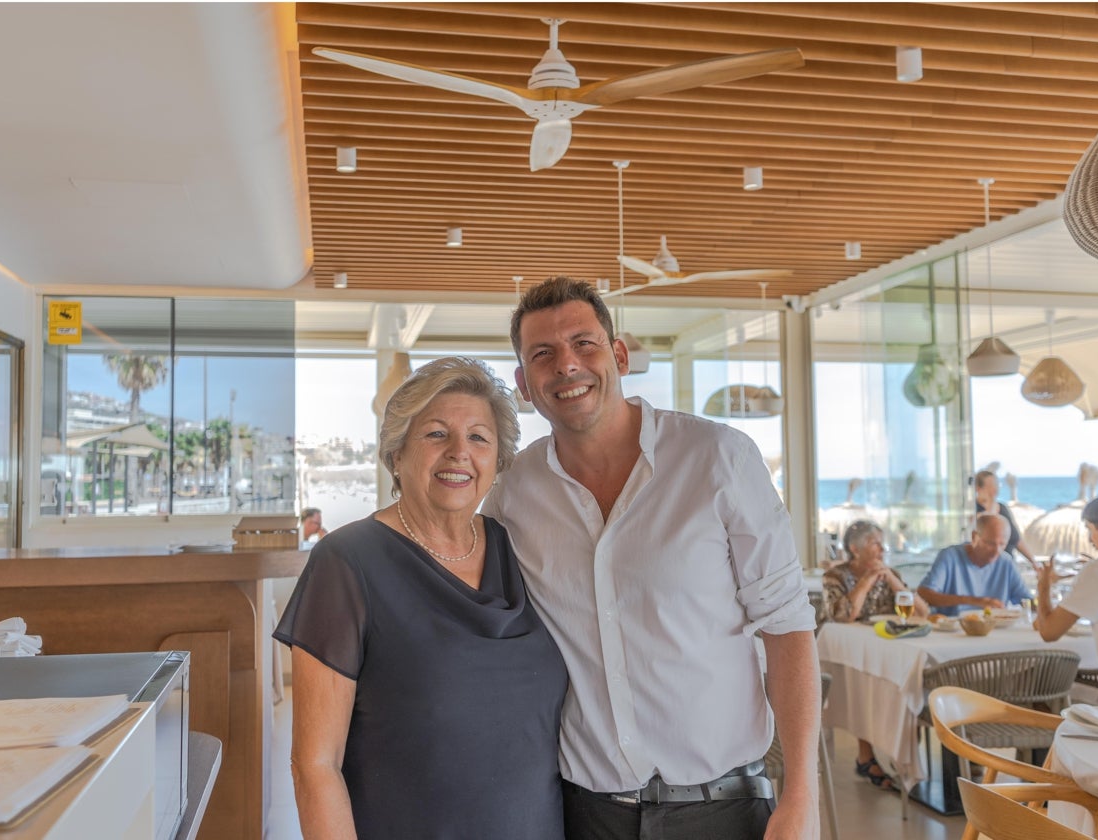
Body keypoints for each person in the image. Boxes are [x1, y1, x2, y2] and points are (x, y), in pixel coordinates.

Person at [483, 276, 821, 840]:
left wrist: (802, 794)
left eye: (583, 344)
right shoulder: (513, 492)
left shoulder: (718, 458)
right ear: (523, 383)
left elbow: (787, 627)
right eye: (543, 354)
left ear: (618, 355)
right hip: (585, 813)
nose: (566, 365)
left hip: (725, 810)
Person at [274, 357, 568, 839]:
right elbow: (315, 765)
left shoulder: (519, 549)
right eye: (435, 434)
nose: (459, 452)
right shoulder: (347, 561)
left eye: (479, 437)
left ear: (497, 460)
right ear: (397, 455)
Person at [822, 519, 928, 792]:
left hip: (887, 642)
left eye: (881, 542)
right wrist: (867, 580)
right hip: (851, 647)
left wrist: (892, 579)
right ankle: (866, 755)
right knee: (862, 687)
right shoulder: (836, 576)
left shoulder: (889, 572)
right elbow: (844, 615)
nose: (882, 548)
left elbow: (921, 613)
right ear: (855, 549)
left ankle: (901, 755)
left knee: (903, 683)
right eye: (875, 543)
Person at [1034, 492, 1098, 666]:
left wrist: (1043, 586)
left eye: (1089, 529)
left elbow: (1049, 633)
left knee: (1054, 676)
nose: (1089, 539)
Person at [917, 513, 1032, 617]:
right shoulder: (950, 557)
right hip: (953, 632)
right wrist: (974, 601)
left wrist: (1044, 590)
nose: (996, 551)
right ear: (974, 537)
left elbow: (1026, 601)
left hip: (995, 631)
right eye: (990, 543)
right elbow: (925, 594)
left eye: (1002, 544)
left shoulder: (1006, 561)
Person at [974, 469, 1035, 563]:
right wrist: (989, 505)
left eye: (996, 485)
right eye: (990, 486)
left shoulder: (1002, 508)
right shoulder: (973, 510)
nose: (995, 489)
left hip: (1008, 566)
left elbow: (1017, 540)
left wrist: (1033, 561)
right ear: (978, 489)